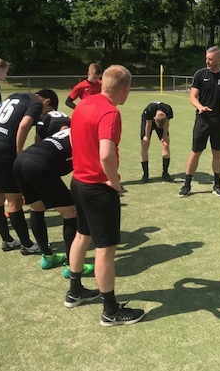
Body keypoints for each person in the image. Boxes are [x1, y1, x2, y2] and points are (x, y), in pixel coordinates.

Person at [67, 65, 145, 326]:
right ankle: (110, 311)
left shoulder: (84, 103)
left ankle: (75, 291)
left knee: (82, 236)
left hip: (78, 182)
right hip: (98, 188)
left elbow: (74, 139)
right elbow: (106, 154)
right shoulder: (110, 113)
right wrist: (115, 183)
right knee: (105, 250)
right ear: (125, 88)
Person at [0, 90, 57, 253]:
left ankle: (7, 241)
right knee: (14, 201)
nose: (42, 116)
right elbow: (24, 125)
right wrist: (19, 151)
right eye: (46, 112)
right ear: (46, 102)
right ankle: (27, 245)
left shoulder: (14, 97)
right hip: (5, 153)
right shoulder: (35, 103)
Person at [13, 126, 94, 278]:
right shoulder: (86, 135)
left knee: (37, 208)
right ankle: (72, 265)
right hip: (39, 164)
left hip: (21, 161)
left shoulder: (72, 128)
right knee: (71, 212)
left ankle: (47, 257)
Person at [179, 46, 220, 198]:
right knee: (196, 152)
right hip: (202, 120)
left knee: (217, 153)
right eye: (206, 58)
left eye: (210, 59)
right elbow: (193, 97)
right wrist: (200, 107)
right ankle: (186, 185)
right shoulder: (200, 75)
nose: (207, 61)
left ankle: (217, 185)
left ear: (218, 59)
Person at [140, 101, 174, 182]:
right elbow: (148, 124)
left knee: (165, 144)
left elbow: (167, 123)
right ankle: (145, 174)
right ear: (154, 118)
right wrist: (146, 137)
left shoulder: (168, 110)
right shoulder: (149, 110)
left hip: (162, 122)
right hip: (147, 122)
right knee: (145, 145)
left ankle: (165, 173)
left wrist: (164, 135)